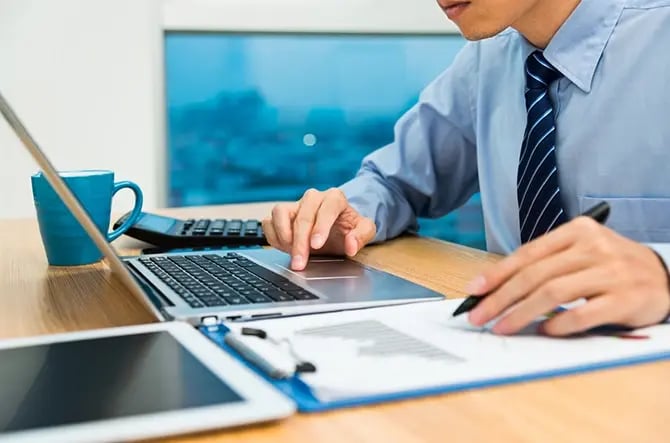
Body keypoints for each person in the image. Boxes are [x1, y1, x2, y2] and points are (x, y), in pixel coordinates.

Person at [262, 0, 670, 336]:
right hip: (509, 351)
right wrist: (346, 217)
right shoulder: (486, 62)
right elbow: (393, 182)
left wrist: (662, 273)